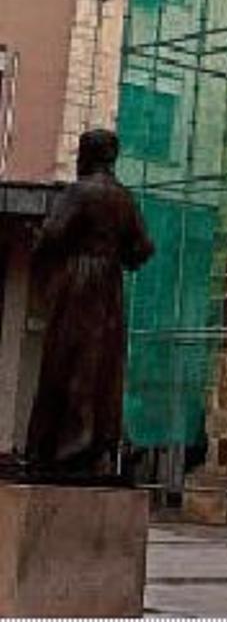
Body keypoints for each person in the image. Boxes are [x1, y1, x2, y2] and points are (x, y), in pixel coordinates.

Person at [24, 129, 154, 481]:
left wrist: (42, 249)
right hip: (110, 285)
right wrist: (118, 254)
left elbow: (53, 234)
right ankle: (96, 445)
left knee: (67, 359)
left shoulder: (80, 192)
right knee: (102, 366)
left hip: (80, 280)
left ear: (86, 154)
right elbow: (143, 248)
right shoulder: (124, 198)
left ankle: (62, 448)